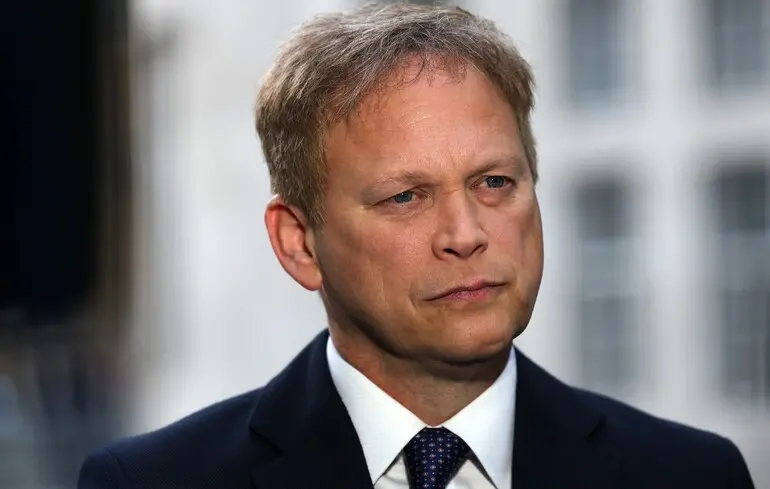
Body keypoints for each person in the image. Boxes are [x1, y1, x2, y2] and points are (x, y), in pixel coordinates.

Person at [78, 3, 755, 489]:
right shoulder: (153, 480)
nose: (466, 234)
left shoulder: (692, 474)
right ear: (299, 243)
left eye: (495, 182)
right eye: (406, 197)